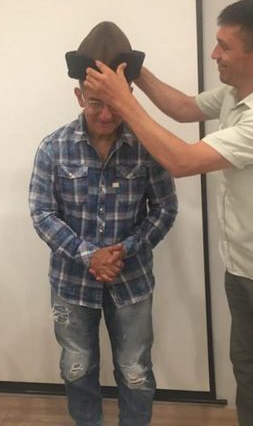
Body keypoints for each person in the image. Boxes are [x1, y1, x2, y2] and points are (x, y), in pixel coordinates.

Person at [83, 0, 253, 425]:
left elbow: (182, 161)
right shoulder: (241, 92)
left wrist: (123, 101)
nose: (215, 54)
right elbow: (184, 108)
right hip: (245, 265)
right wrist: (134, 70)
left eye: (224, 46)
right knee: (251, 378)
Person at [29, 22, 177, 426]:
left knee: (136, 370)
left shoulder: (148, 147)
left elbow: (165, 209)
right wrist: (89, 256)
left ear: (129, 96)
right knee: (76, 367)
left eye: (115, 102)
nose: (107, 114)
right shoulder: (53, 147)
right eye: (96, 103)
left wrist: (124, 250)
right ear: (79, 95)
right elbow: (41, 213)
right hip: (72, 283)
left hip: (133, 281)